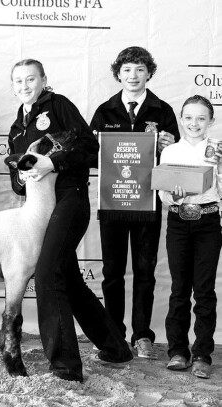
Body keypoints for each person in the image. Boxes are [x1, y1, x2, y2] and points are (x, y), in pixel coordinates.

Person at [8, 58, 133, 382]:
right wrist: (22, 177)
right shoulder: (16, 128)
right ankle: (116, 348)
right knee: (70, 281)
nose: (25, 86)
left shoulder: (59, 105)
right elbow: (16, 179)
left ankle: (65, 367)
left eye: (31, 79)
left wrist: (53, 163)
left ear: (44, 79)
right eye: (18, 81)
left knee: (48, 273)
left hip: (70, 199)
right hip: (40, 209)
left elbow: (90, 148)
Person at [90, 46, 179, 359]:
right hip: (113, 203)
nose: (133, 76)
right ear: (118, 74)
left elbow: (178, 159)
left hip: (148, 204)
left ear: (149, 73)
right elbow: (90, 155)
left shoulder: (162, 111)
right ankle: (114, 332)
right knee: (112, 272)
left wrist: (170, 146)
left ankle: (143, 335)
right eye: (127, 70)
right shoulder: (105, 111)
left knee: (145, 271)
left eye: (140, 69)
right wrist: (99, 146)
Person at [159, 95, 221, 379]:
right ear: (181, 119)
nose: (193, 123)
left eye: (200, 118)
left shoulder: (217, 151)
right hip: (179, 221)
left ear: (211, 121)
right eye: (188, 117)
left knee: (205, 290)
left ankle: (202, 354)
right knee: (179, 289)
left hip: (208, 221)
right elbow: (163, 192)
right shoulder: (170, 152)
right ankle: (178, 351)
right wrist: (173, 194)